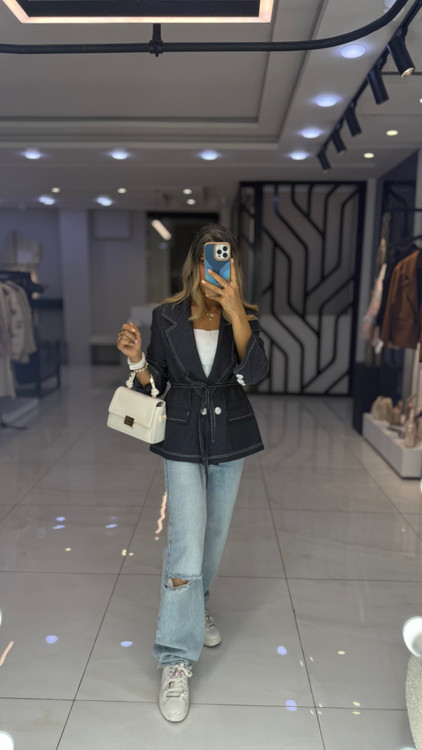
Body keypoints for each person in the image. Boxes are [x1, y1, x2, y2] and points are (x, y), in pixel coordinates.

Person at [116, 224, 269, 723]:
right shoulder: (167, 316)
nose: (214, 267)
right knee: (185, 541)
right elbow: (157, 380)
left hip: (229, 434)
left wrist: (235, 311)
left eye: (223, 258)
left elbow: (255, 374)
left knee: (214, 537)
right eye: (207, 258)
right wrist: (138, 359)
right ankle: (175, 657)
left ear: (232, 266)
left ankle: (196, 605)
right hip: (181, 435)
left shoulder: (243, 315)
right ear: (195, 264)